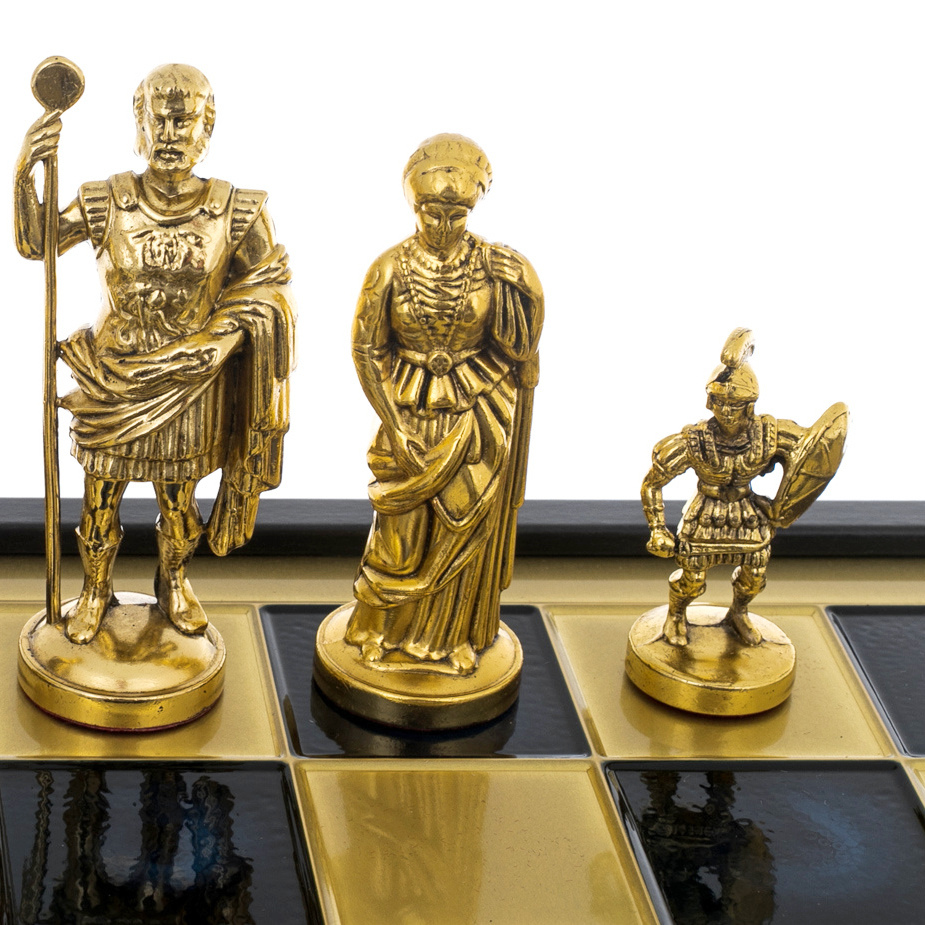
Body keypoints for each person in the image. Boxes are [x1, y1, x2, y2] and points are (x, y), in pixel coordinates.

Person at [14, 63, 295, 644]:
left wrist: (222, 342)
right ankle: (95, 589)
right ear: (139, 126)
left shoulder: (238, 209)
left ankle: (174, 580)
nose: (169, 135)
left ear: (205, 128)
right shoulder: (105, 200)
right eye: (158, 121)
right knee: (100, 498)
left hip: (191, 379)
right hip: (112, 375)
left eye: (182, 122)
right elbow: (37, 242)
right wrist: (24, 174)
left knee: (178, 499)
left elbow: (269, 289)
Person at [345, 134, 543, 674]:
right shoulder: (388, 268)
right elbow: (366, 350)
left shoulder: (495, 264)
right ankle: (379, 628)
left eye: (457, 215)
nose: (443, 225)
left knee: (464, 529)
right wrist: (393, 423)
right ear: (414, 205)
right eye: (432, 212)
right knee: (400, 529)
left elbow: (520, 347)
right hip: (407, 412)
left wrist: (530, 289)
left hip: (476, 414)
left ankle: (453, 635)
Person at [641, 328, 805, 647]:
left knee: (754, 577)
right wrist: (658, 529)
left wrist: (782, 504)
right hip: (705, 514)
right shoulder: (694, 440)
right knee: (692, 580)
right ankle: (676, 614)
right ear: (710, 401)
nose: (726, 411)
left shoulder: (768, 434)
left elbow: (810, 453)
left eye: (735, 404)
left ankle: (739, 613)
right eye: (719, 402)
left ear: (749, 405)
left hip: (748, 513)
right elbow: (652, 483)